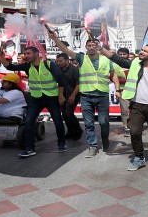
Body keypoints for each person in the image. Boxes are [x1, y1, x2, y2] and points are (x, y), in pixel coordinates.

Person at [49, 27, 120, 157]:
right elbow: (65, 50)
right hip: (86, 97)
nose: (92, 47)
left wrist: (117, 89)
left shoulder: (106, 60)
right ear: (86, 47)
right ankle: (92, 146)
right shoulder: (81, 58)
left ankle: (105, 140)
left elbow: (113, 76)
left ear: (98, 46)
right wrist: (55, 39)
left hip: (102, 96)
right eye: (89, 45)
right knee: (88, 123)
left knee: (104, 122)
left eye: (94, 45)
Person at [103, 44, 148, 170]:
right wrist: (101, 49)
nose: (141, 52)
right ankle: (139, 157)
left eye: (145, 51)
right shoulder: (135, 63)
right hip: (137, 106)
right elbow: (117, 59)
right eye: (142, 50)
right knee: (134, 131)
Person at [0, 46, 67, 156]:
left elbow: (61, 81)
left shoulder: (49, 65)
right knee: (29, 121)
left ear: (36, 54)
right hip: (36, 98)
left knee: (58, 121)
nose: (26, 55)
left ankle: (62, 143)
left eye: (29, 53)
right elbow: (10, 67)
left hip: (51, 98)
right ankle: (30, 148)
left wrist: (61, 96)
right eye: (25, 53)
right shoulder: (27, 66)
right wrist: (1, 58)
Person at [56, 53, 82, 140]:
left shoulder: (74, 70)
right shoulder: (58, 69)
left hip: (73, 95)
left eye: (61, 61)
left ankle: (78, 130)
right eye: (57, 61)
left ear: (67, 60)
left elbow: (78, 84)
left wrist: (73, 96)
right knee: (64, 114)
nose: (59, 63)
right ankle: (70, 131)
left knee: (68, 113)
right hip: (62, 95)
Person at [115, 48, 132, 137]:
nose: (122, 56)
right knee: (125, 110)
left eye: (124, 54)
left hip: (135, 91)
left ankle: (135, 126)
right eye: (120, 54)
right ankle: (126, 128)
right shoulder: (114, 65)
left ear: (128, 55)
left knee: (135, 110)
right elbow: (111, 77)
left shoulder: (133, 64)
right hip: (122, 91)